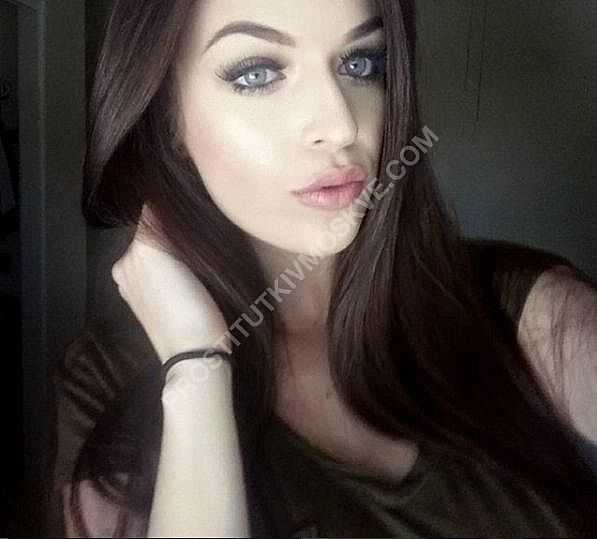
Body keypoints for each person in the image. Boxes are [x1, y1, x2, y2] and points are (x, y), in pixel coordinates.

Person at [51, 0, 597, 536]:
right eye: (258, 73)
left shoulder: (528, 313)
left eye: (361, 64)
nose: (340, 125)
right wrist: (196, 368)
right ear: (169, 118)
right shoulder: (108, 384)